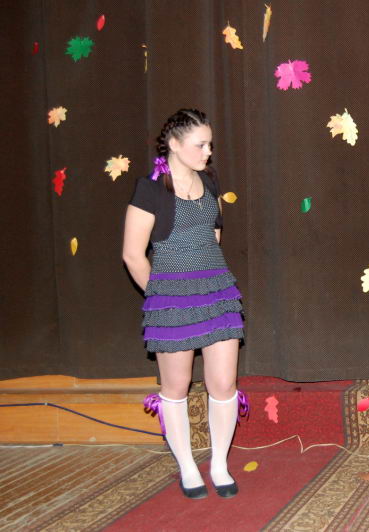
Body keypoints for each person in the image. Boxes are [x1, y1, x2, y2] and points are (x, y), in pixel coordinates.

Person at [122, 109, 247, 499]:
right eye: (200, 144)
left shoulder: (209, 181)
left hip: (217, 291)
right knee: (176, 386)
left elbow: (214, 236)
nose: (208, 151)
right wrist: (161, 299)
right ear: (174, 144)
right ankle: (188, 467)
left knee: (223, 383)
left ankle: (220, 464)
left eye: (210, 144)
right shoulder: (151, 189)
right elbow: (132, 255)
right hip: (171, 300)